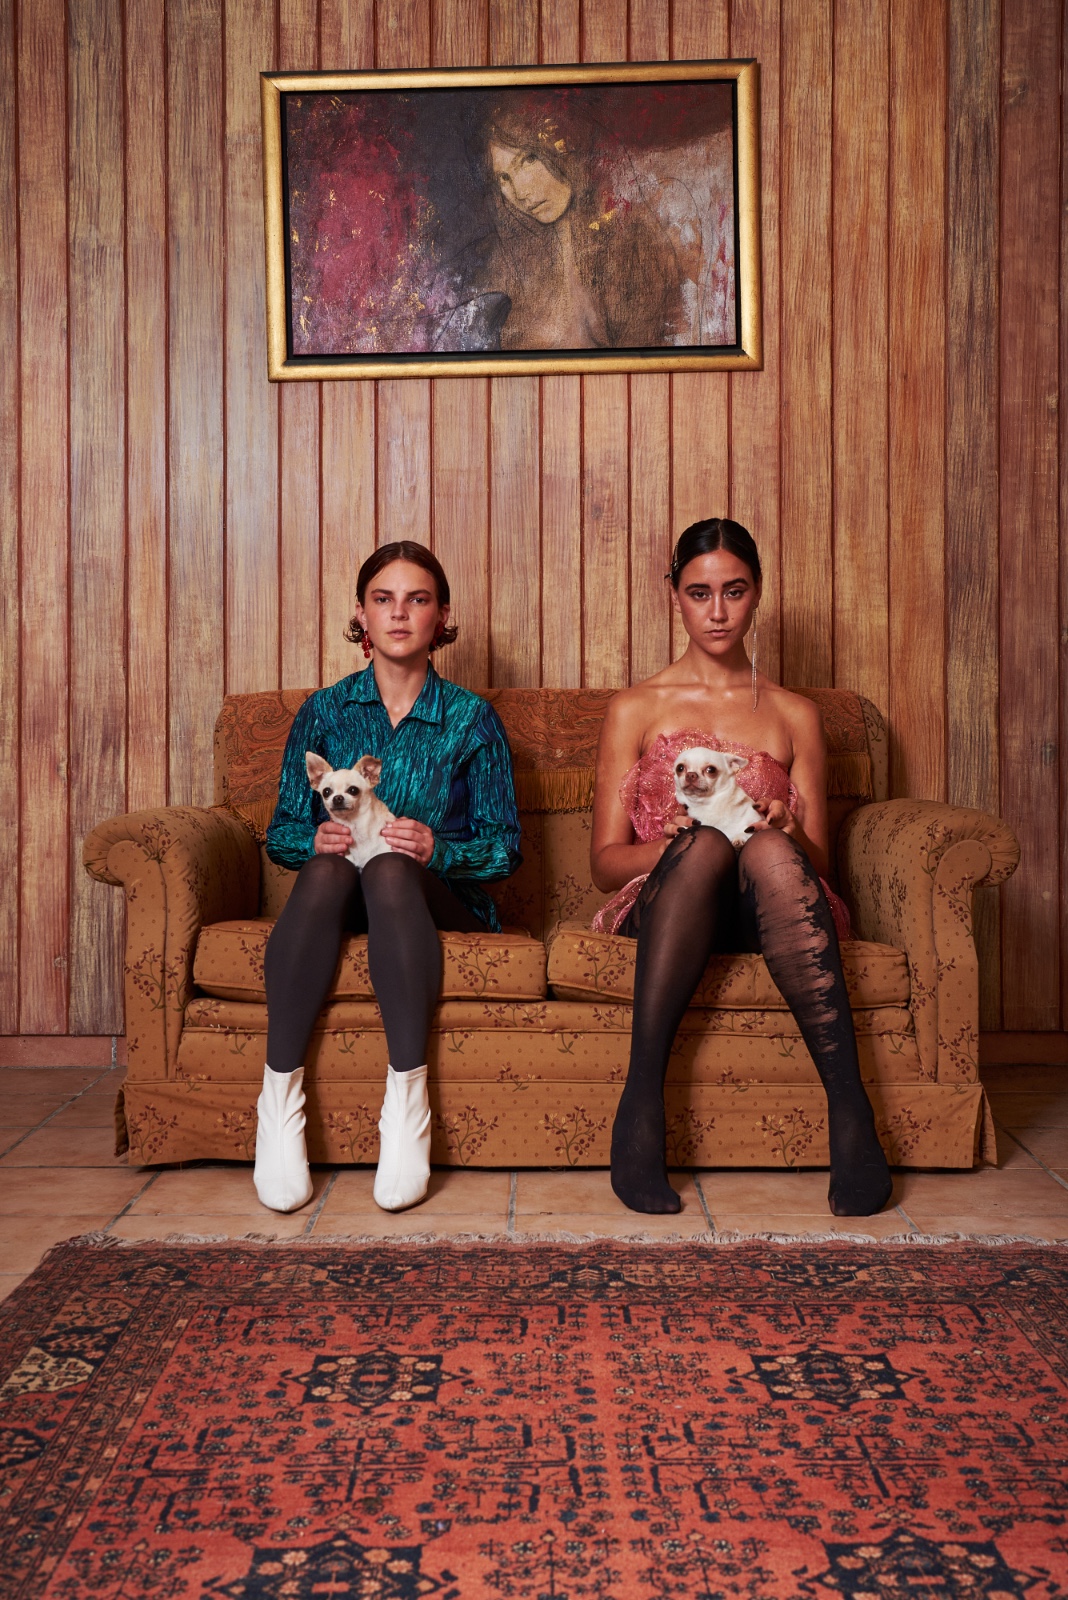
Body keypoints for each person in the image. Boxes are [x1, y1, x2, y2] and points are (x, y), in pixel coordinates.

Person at [590, 517, 893, 1218]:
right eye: (699, 593)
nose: (718, 611)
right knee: (703, 845)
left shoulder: (794, 713)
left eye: (735, 591)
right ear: (673, 594)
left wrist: (786, 828)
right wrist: (673, 843)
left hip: (771, 913)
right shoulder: (635, 708)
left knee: (764, 846)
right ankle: (640, 1105)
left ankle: (852, 1114)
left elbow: (821, 863)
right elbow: (604, 865)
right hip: (672, 908)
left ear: (758, 593)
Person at [255, 541, 521, 1216]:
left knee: (394, 867)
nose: (400, 613)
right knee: (326, 867)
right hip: (339, 895)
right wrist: (311, 838)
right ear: (361, 614)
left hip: (434, 898)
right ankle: (277, 1103)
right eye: (384, 599)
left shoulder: (471, 719)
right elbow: (280, 832)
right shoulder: (324, 712)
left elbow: (505, 850)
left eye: (417, 599)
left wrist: (439, 849)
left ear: (441, 616)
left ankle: (407, 1107)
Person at [471, 103, 683, 350]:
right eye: (504, 178)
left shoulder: (630, 239)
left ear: (563, 145)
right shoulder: (516, 260)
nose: (520, 192)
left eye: (528, 160)